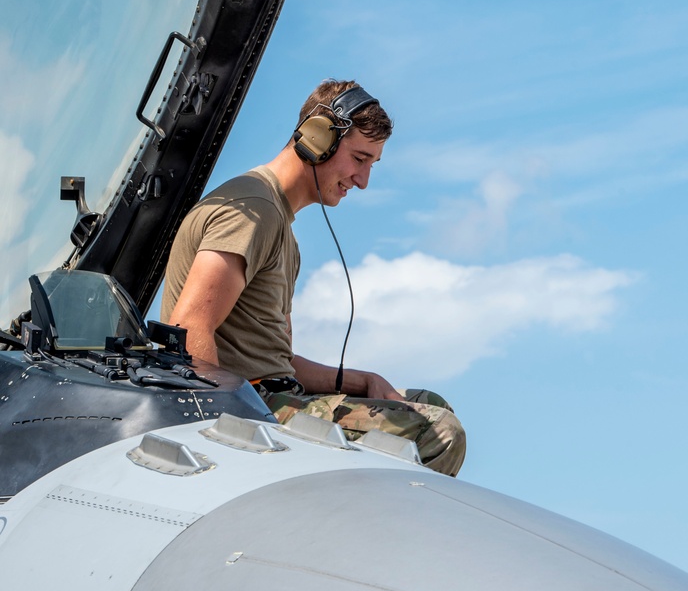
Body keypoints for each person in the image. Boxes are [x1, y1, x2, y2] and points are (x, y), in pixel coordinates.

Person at [160, 79, 466, 476]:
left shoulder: (281, 230)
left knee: (431, 404)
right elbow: (188, 328)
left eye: (371, 165)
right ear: (317, 139)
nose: (363, 180)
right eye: (359, 158)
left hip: (271, 395)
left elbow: (279, 362)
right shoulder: (252, 210)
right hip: (249, 409)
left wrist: (362, 381)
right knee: (437, 432)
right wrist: (226, 438)